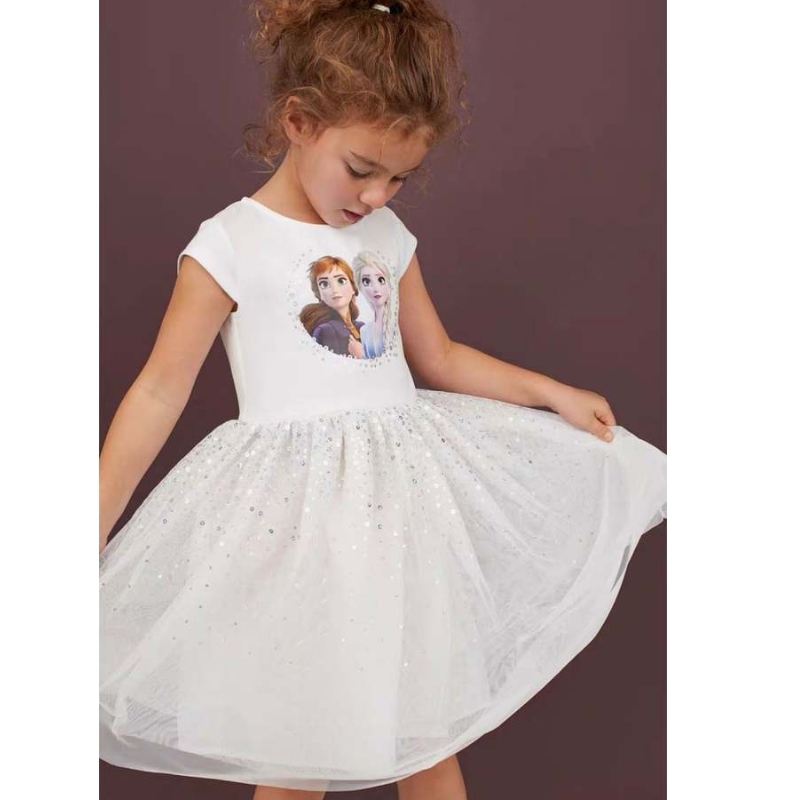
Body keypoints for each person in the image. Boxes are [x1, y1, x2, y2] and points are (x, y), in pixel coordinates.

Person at [99, 1, 667, 798]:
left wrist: (550, 393)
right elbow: (160, 390)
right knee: (297, 751)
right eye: (362, 169)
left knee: (426, 736)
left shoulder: (387, 239)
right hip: (291, 531)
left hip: (399, 523)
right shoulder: (230, 244)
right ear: (298, 122)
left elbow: (439, 356)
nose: (376, 196)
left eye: (398, 178)